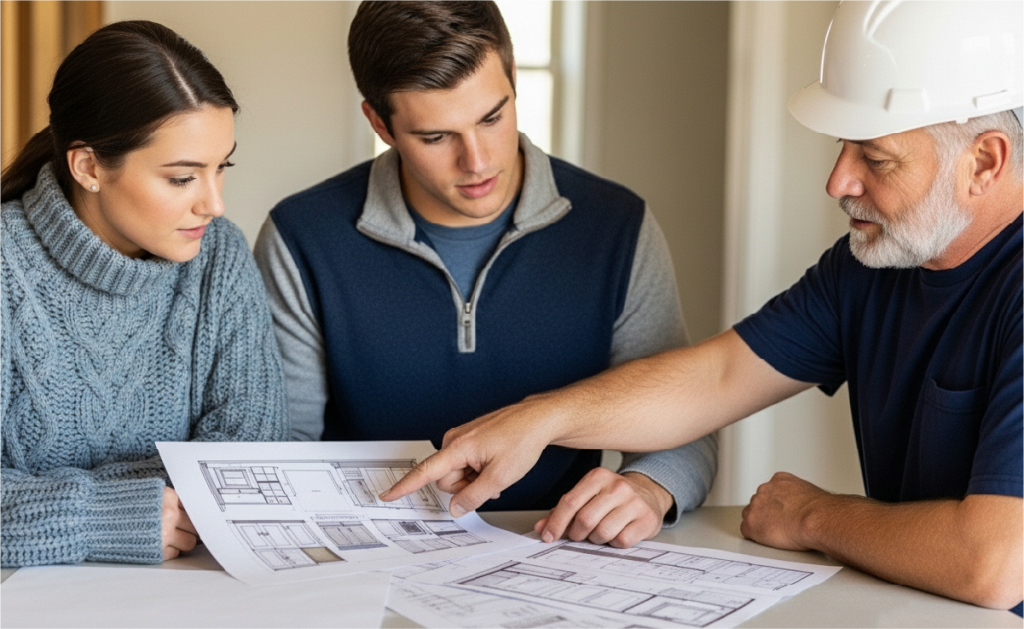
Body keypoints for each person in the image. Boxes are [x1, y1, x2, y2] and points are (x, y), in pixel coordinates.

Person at [384, 0, 1024, 614]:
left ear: (984, 161)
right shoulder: (872, 264)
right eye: (842, 145)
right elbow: (716, 378)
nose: (838, 181)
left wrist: (811, 514)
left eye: (875, 158)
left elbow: (994, 564)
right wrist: (542, 419)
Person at [254, 0, 716, 547]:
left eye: (491, 117)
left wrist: (648, 484)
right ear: (380, 124)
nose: (476, 161)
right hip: (369, 551)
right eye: (436, 137)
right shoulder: (301, 237)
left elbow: (682, 422)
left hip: (557, 552)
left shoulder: (617, 226)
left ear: (514, 79)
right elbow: (281, 450)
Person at [1, 21, 289, 567]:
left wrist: (33, 495)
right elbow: (206, 489)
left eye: (221, 168)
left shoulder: (217, 256)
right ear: (88, 167)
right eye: (182, 178)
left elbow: (253, 454)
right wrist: (107, 514)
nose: (214, 204)